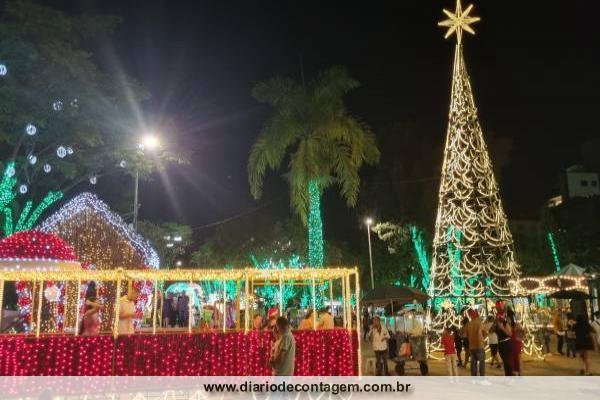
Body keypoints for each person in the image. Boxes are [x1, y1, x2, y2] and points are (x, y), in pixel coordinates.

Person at [465, 309, 486, 376]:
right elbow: (485, 332)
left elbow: (465, 335)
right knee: (481, 363)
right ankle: (482, 377)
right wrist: (483, 338)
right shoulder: (480, 323)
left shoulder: (468, 324)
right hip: (480, 345)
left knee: (473, 363)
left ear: (471, 316)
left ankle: (474, 378)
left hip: (472, 346)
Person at [495, 301, 513, 376]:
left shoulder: (505, 320)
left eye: (498, 306)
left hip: (506, 344)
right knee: (505, 363)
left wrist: (502, 327)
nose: (496, 308)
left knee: (508, 363)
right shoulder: (498, 319)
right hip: (501, 343)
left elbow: (510, 333)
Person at [507, 307, 522, 376]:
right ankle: (518, 374)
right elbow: (521, 332)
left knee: (514, 360)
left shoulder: (510, 325)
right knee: (516, 360)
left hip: (513, 344)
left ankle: (516, 374)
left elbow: (521, 332)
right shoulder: (515, 325)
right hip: (515, 343)